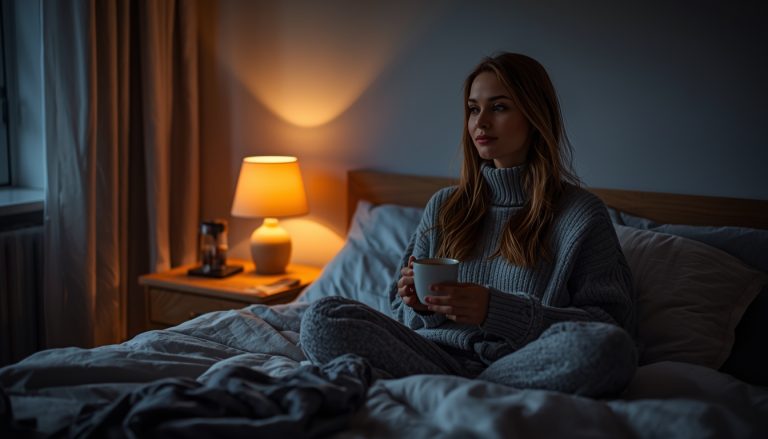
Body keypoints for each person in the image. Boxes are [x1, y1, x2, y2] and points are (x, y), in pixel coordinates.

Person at [300, 52, 637, 397]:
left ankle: (458, 390)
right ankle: (465, 389)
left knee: (609, 348)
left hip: (522, 363)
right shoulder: (444, 206)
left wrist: (497, 311)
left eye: (499, 107)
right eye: (474, 109)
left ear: (536, 116)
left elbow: (608, 325)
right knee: (322, 318)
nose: (481, 122)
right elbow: (402, 319)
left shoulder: (580, 215)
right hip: (431, 356)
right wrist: (416, 303)